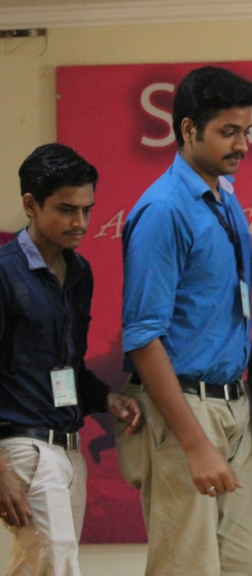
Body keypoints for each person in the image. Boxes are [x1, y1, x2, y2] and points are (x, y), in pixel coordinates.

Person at [117, 66, 252, 576]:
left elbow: (215, 307)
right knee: (187, 568)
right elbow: (143, 338)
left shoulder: (223, 196)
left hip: (232, 404)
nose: (243, 145)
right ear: (188, 130)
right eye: (229, 132)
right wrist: (195, 444)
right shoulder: (164, 210)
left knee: (247, 565)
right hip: (185, 411)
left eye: (246, 131)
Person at [0, 143, 141, 575]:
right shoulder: (3, 271)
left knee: (38, 568)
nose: (80, 222)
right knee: (59, 566)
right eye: (66, 209)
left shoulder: (80, 272)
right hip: (21, 447)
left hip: (69, 448)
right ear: (31, 204)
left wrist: (107, 399)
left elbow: (68, 365)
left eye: (86, 209)